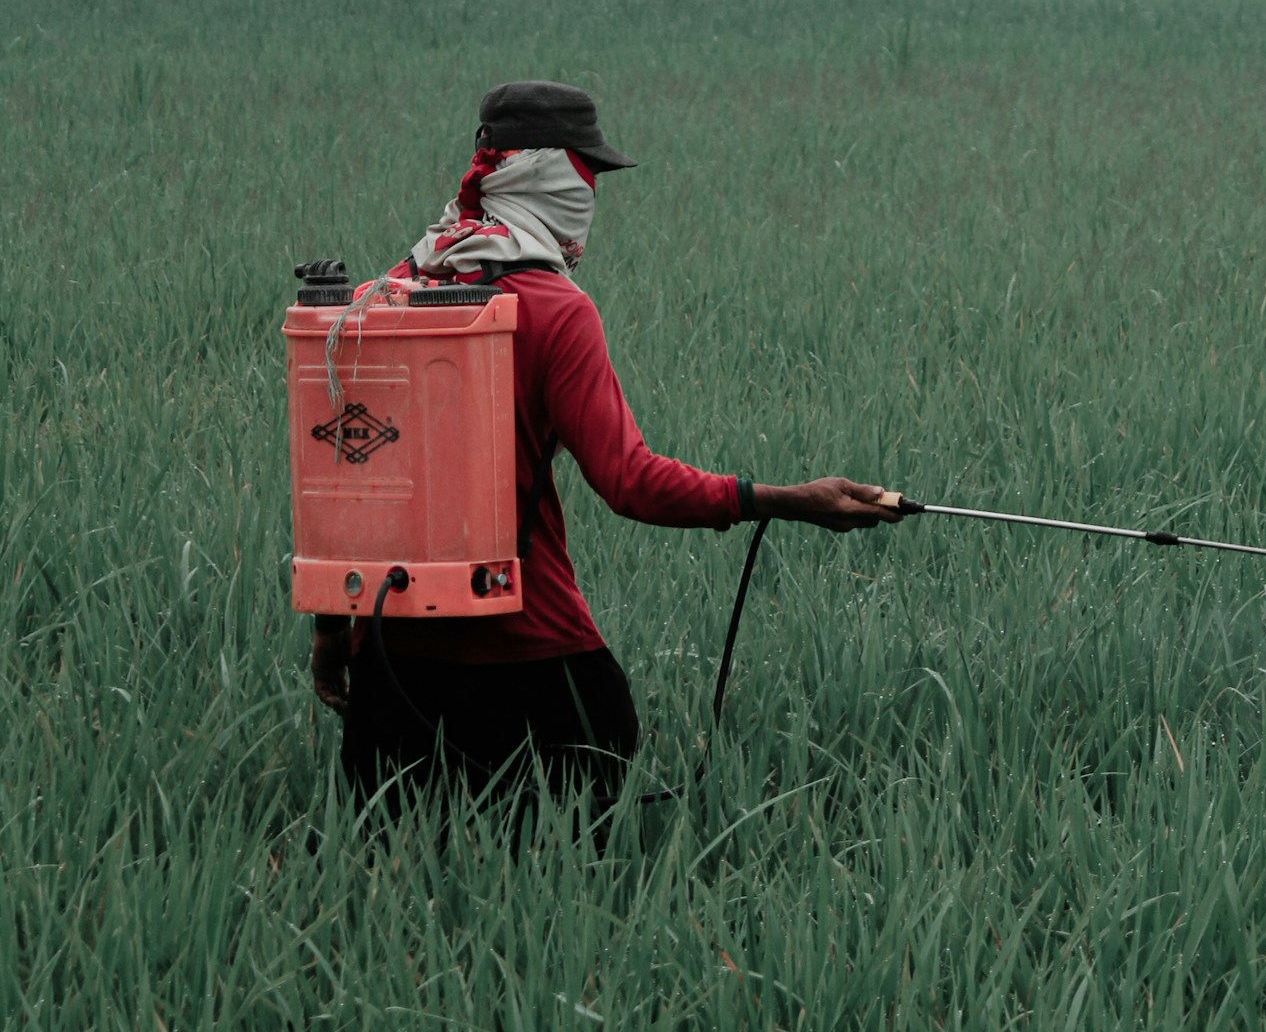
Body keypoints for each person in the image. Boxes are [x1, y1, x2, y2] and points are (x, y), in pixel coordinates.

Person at [313, 79, 898, 808]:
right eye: (589, 173)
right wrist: (787, 501)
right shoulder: (558, 311)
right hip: (530, 652)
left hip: (390, 661)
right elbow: (631, 483)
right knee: (570, 878)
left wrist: (334, 632)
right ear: (554, 175)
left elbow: (344, 482)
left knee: (400, 887)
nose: (593, 193)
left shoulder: (390, 290)